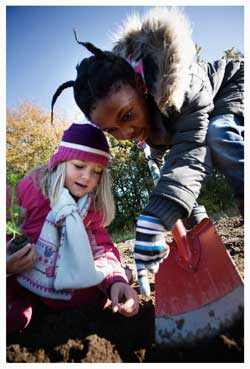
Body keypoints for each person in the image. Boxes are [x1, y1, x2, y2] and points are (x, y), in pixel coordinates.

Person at [50, 7, 244, 292]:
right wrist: (192, 220)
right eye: (112, 130)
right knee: (171, 176)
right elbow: (172, 172)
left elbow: (191, 153)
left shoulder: (184, 86)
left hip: (235, 86)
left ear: (141, 86)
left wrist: (155, 218)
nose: (125, 134)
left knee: (219, 135)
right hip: (182, 120)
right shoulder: (143, 119)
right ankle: (202, 233)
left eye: (127, 116)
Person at [7, 122, 139, 334]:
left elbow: (101, 248)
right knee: (14, 318)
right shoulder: (29, 189)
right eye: (79, 166)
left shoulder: (90, 208)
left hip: (61, 283)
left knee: (96, 300)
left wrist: (115, 282)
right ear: (61, 162)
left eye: (96, 171)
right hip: (18, 277)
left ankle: (122, 274)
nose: (87, 177)